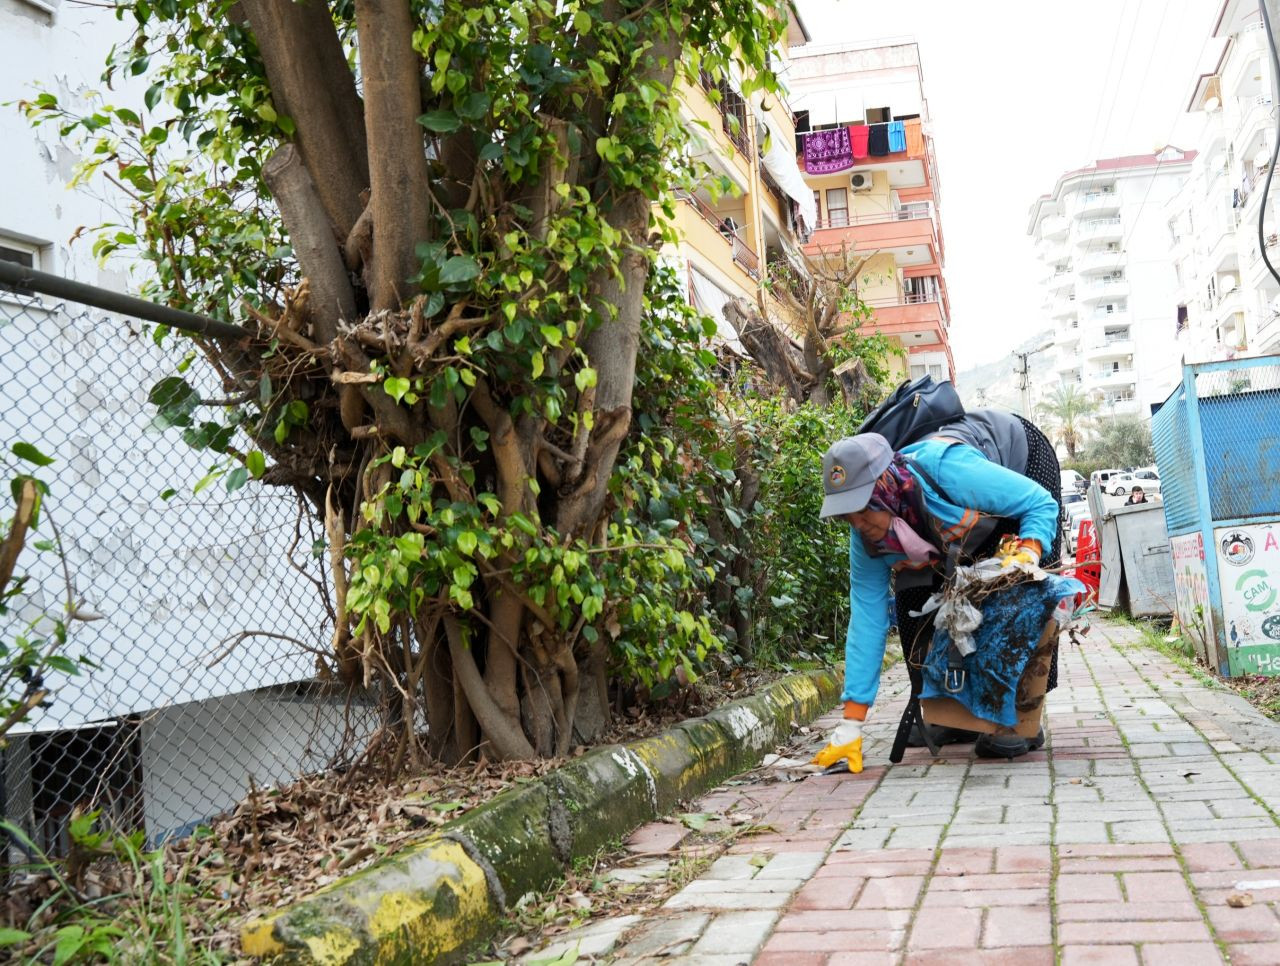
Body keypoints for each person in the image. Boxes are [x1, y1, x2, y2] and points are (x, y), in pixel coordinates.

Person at [811, 417, 1062, 773]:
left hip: (1019, 463)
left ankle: (1021, 718)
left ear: (885, 486)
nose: (858, 525)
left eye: (863, 510)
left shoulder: (948, 470)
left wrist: (1029, 552)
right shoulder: (865, 536)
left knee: (1015, 593)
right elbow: (866, 619)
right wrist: (851, 724)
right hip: (946, 521)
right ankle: (951, 713)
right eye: (846, 517)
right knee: (913, 604)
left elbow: (1039, 503)